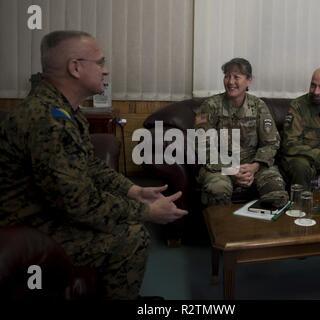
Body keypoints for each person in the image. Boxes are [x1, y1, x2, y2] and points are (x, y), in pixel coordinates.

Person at [0, 30, 187, 299]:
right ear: (75, 67)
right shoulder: (48, 120)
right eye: (99, 62)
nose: (106, 70)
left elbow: (88, 164)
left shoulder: (63, 108)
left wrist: (132, 190)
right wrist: (144, 212)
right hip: (29, 230)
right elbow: (79, 203)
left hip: (47, 213)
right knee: (133, 237)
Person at [194, 58, 288, 207]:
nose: (230, 82)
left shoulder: (258, 106)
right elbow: (202, 146)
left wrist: (255, 166)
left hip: (253, 167)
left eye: (236, 77)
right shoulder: (209, 106)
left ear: (249, 80)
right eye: (227, 76)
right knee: (217, 189)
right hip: (220, 168)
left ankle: (268, 229)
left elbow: (271, 143)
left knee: (276, 191)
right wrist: (231, 169)